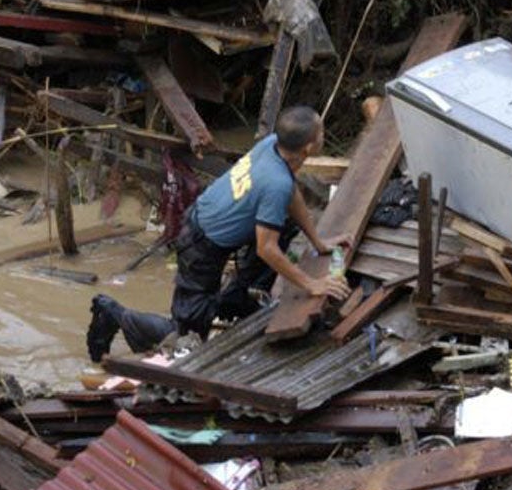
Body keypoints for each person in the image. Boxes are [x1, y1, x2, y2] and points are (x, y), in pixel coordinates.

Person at [86, 105, 352, 363]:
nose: (324, 137)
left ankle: (238, 300)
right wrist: (312, 284)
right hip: (201, 241)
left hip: (216, 225)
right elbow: (266, 248)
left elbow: (291, 192)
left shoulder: (273, 145)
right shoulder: (276, 183)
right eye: (321, 133)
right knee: (187, 337)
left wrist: (318, 242)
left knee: (282, 223)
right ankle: (112, 313)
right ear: (308, 148)